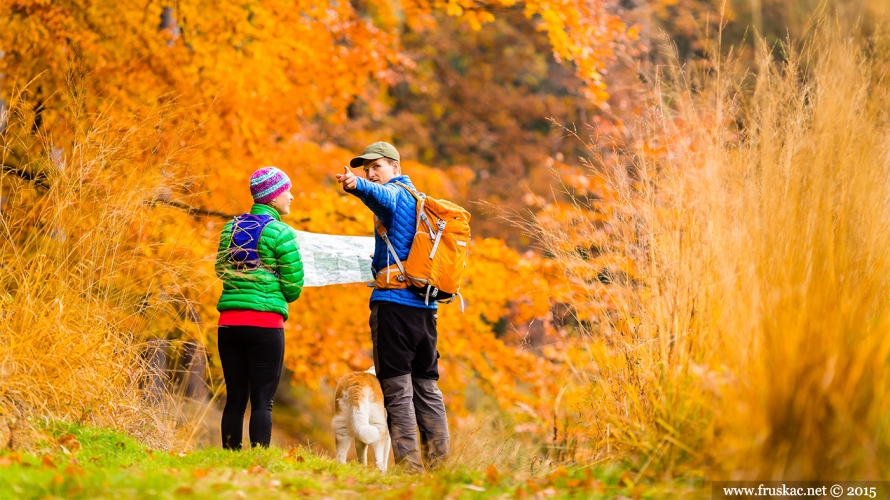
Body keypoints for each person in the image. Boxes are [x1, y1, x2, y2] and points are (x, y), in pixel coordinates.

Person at [335, 141, 450, 472]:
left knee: (398, 390)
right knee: (427, 387)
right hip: (425, 309)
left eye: (378, 167)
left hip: (394, 310)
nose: (372, 173)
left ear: (396, 168)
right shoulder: (422, 203)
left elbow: (381, 197)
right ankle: (440, 468)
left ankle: (410, 471)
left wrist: (357, 185)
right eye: (367, 169)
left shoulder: (396, 194)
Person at [214, 166, 304, 449]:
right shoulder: (281, 233)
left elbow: (220, 269)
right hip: (265, 326)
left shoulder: (232, 227)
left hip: (228, 325)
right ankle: (258, 460)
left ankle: (229, 459)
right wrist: (273, 280)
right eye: (286, 191)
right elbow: (293, 287)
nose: (291, 197)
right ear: (273, 197)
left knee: (235, 398)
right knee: (263, 400)